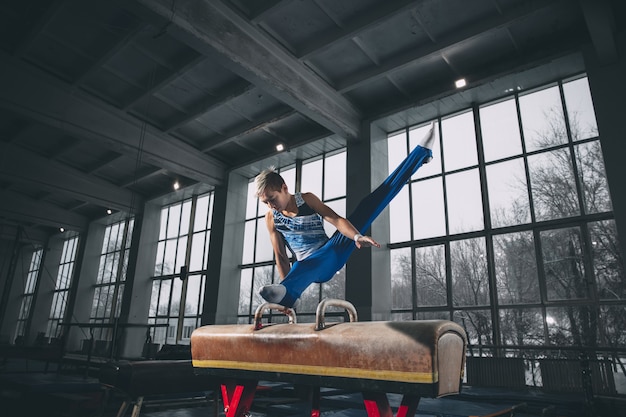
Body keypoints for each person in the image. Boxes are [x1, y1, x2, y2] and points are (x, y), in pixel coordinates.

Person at [256, 122, 436, 308]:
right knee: (300, 266)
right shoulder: (271, 218)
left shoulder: (307, 200)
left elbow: (336, 220)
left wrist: (357, 236)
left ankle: (421, 154)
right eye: (265, 203)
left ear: (284, 188)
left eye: (272, 199)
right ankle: (288, 293)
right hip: (309, 267)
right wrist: (287, 294)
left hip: (333, 252)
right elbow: (281, 256)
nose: (271, 205)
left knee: (367, 206)